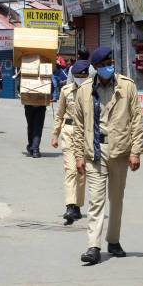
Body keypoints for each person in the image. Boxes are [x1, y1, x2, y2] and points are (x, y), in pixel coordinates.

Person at [72, 46, 143, 265]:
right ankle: (93, 246)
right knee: (96, 200)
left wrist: (136, 152)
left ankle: (113, 240)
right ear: (95, 68)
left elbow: (136, 120)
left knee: (116, 199)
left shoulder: (127, 87)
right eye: (102, 66)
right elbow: (78, 125)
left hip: (120, 152)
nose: (107, 68)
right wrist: (78, 155)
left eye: (109, 64)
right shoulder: (84, 90)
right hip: (94, 151)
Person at [51, 60, 90, 225]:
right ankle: (70, 206)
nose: (80, 78)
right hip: (69, 132)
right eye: (78, 76)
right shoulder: (66, 91)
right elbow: (59, 114)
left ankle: (78, 205)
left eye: (83, 76)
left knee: (81, 172)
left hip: (86, 135)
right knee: (70, 170)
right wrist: (55, 134)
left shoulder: (92, 91)